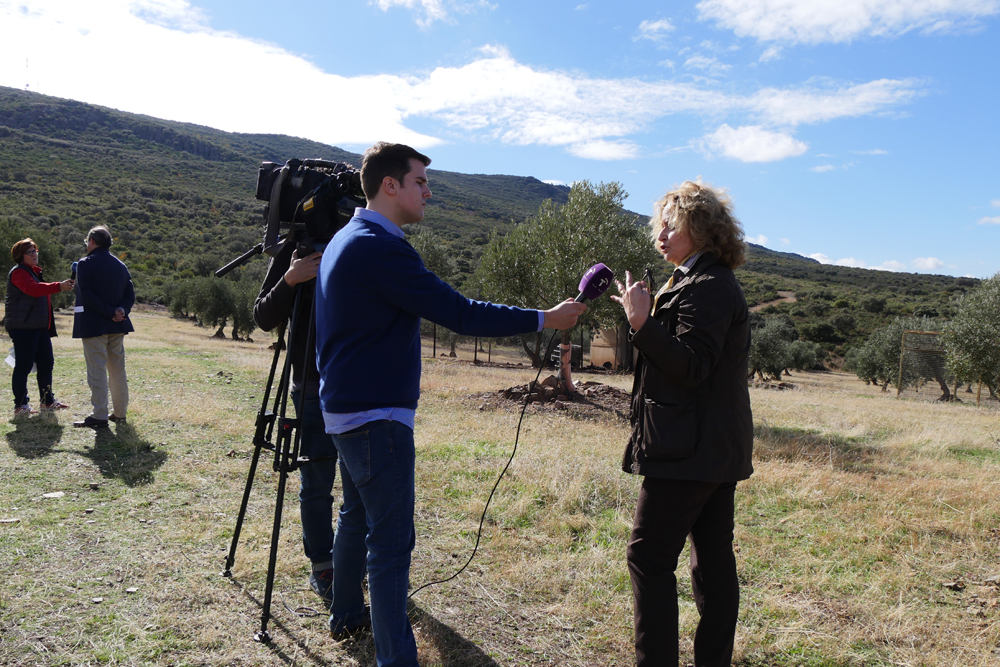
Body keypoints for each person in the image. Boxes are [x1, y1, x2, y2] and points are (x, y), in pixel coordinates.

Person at [315, 142, 585, 666]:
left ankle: (346, 614)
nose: (428, 192)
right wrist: (544, 318)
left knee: (354, 516)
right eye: (420, 181)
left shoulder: (343, 239)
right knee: (391, 548)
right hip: (377, 418)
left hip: (344, 413)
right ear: (389, 185)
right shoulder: (379, 246)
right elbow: (460, 313)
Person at [611, 179, 753, 667]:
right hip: (707, 448)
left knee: (648, 558)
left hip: (688, 452)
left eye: (673, 225)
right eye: (660, 225)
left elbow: (691, 367)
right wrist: (647, 318)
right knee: (711, 565)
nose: (662, 234)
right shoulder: (698, 280)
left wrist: (642, 324)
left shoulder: (709, 286)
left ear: (702, 229)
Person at [253, 239, 338, 607]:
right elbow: (263, 318)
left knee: (364, 483)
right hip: (310, 385)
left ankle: (357, 560)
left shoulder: (365, 236)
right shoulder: (297, 246)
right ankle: (323, 565)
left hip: (361, 385)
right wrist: (291, 278)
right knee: (317, 481)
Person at [72, 226, 135, 429]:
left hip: (93, 325)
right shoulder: (120, 265)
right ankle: (120, 413)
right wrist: (121, 311)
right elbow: (130, 294)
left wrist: (109, 312)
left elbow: (88, 295)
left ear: (91, 241)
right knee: (117, 370)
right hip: (117, 326)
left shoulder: (85, 264)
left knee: (96, 370)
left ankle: (99, 415)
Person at [4, 238, 74, 415]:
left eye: (35, 251)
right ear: (21, 256)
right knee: (24, 366)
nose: (34, 254)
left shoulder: (32, 272)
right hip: (24, 327)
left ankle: (47, 401)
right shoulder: (19, 272)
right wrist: (59, 286)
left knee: (46, 363)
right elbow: (34, 290)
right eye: (30, 252)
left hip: (38, 327)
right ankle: (20, 405)